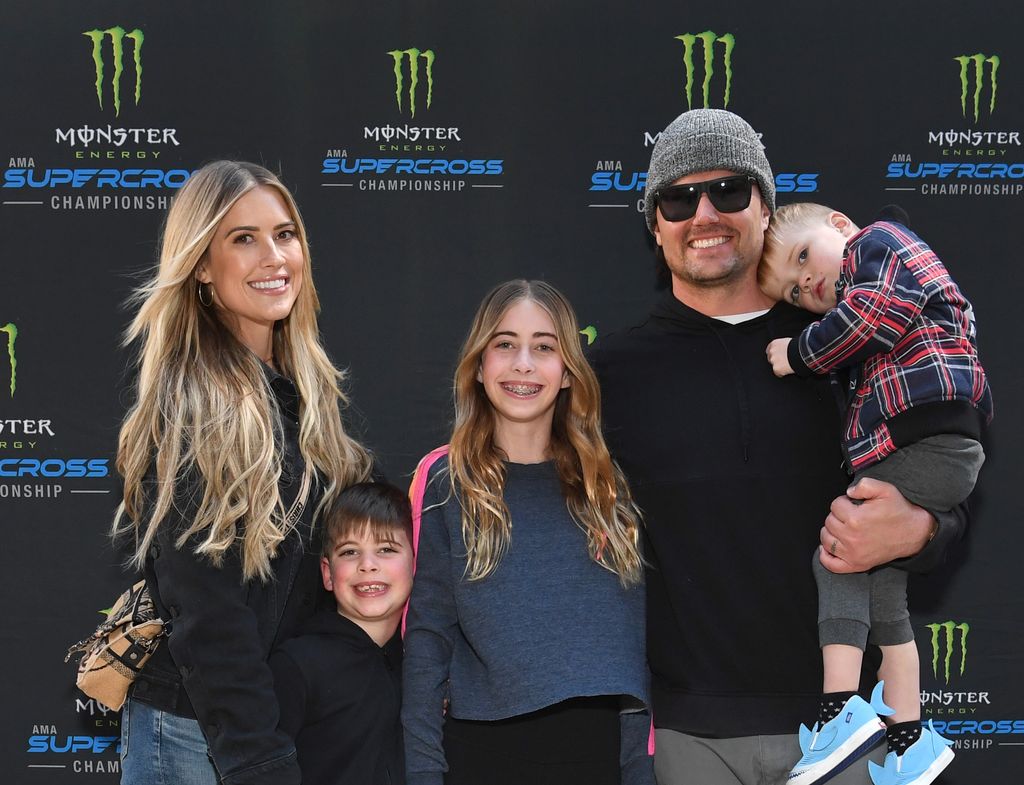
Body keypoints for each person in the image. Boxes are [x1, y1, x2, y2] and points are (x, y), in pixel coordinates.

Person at [588, 109, 968, 785]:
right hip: (688, 734)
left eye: (729, 191)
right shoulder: (609, 372)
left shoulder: (852, 343)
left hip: (852, 729)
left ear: (766, 206)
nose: (704, 213)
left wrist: (921, 528)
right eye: (678, 198)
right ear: (655, 225)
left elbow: (944, 469)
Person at [111, 160, 373, 785]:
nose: (274, 256)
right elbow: (207, 609)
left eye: (285, 234)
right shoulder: (192, 405)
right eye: (243, 238)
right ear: (201, 265)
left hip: (256, 728)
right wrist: (260, 759)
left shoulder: (299, 397)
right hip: (199, 738)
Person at [759, 202, 991, 785]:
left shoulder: (879, 246)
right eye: (794, 291)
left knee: (836, 554)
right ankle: (912, 743)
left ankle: (841, 716)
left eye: (804, 257)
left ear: (839, 224)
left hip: (930, 445)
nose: (809, 283)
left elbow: (869, 319)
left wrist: (796, 354)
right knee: (883, 591)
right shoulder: (869, 297)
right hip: (935, 449)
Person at [402, 279, 654, 785]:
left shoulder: (607, 487)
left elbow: (627, 647)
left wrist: (637, 769)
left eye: (544, 347)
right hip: (480, 753)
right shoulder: (448, 483)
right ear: (478, 365)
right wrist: (423, 772)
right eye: (505, 345)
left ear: (567, 373)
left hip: (595, 755)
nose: (523, 364)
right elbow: (427, 639)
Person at [270, 481, 413, 785]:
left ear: (417, 563)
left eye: (386, 549)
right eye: (350, 552)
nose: (368, 565)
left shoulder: (427, 663)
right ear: (327, 573)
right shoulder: (297, 664)